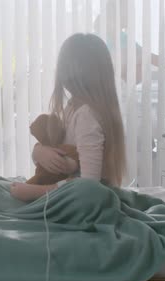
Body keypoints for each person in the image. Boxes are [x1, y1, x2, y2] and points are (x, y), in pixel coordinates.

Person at [10, 33, 127, 202]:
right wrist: (39, 152)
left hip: (81, 201)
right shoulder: (73, 107)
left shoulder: (87, 115)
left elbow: (88, 184)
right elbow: (59, 153)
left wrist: (37, 192)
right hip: (66, 191)